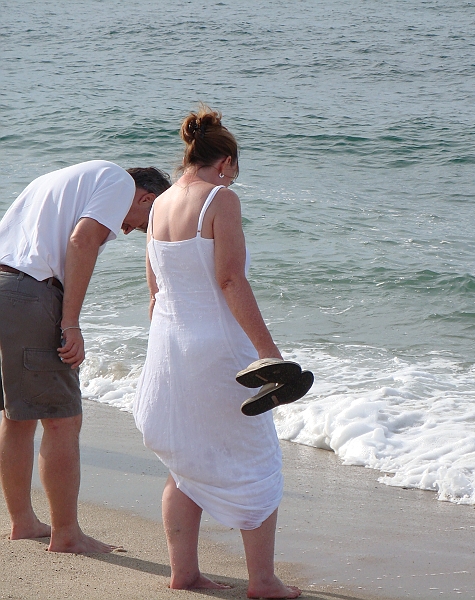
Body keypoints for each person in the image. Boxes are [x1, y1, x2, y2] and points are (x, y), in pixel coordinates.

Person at [132, 106, 301, 598]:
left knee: (186, 466)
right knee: (256, 461)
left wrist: (165, 358)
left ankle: (184, 573)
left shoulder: (159, 205)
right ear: (224, 161)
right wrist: (270, 355)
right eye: (233, 169)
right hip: (217, 348)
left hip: (169, 347)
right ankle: (262, 581)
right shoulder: (220, 200)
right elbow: (230, 280)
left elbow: (155, 293)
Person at [0, 161, 171, 553]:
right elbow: (82, 241)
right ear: (147, 198)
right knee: (62, 419)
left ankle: (23, 522)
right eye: (143, 224)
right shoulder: (118, 181)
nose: (129, 230)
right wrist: (71, 322)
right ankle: (66, 535)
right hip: (30, 295)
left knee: (17, 415)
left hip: (4, 285)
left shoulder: (59, 180)